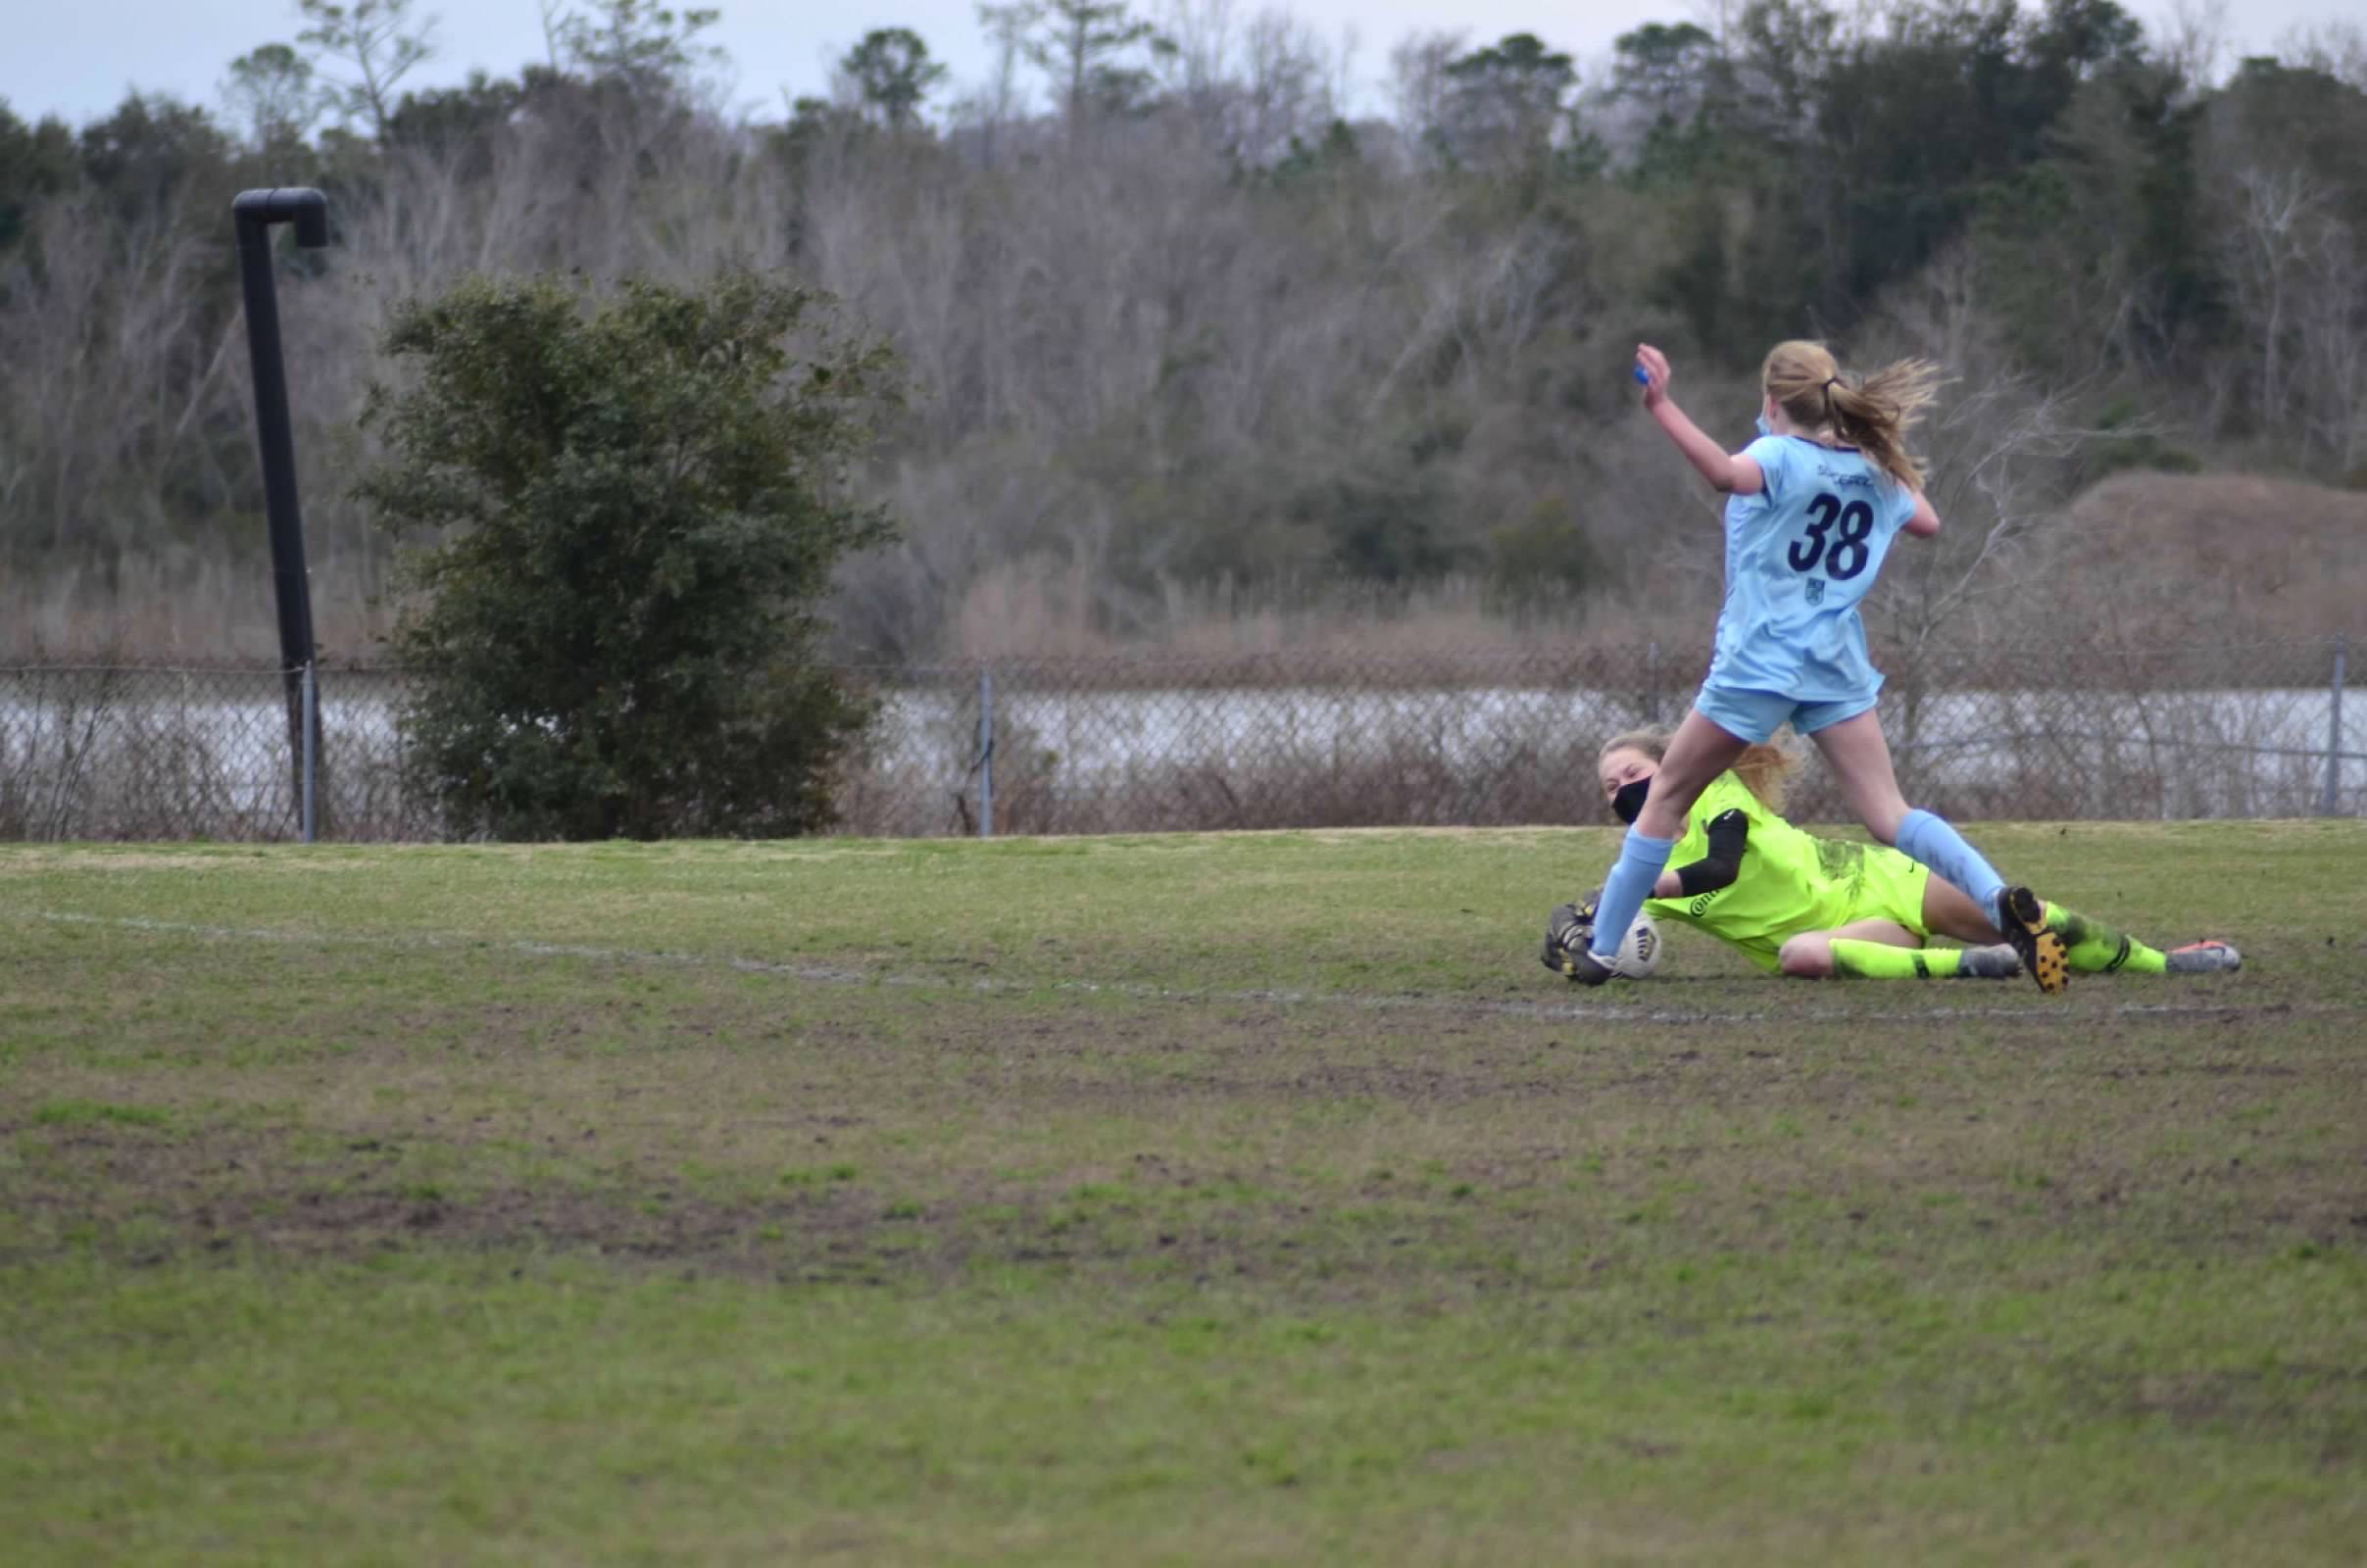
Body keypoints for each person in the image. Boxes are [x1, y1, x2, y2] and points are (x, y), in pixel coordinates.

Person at [1566, 339, 2070, 994]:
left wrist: (1660, 405)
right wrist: (1869, 451)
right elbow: (1926, 522)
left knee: (1664, 798)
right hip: (1833, 662)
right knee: (1889, 813)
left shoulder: (1776, 456)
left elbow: (1724, 473)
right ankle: (1998, 898)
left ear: (1771, 402)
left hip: (1759, 664)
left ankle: (1601, 951)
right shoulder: (1871, 469)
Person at [1543, 728, 2241, 982]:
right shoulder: (1640, 857)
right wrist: (1579, 928)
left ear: (1669, 768)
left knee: (2019, 916)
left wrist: (1644, 890)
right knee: (1801, 958)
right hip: (1836, 937)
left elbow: (1719, 866)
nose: (1623, 792)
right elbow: (1611, 911)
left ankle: (2163, 960)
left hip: (1878, 881)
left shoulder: (1719, 791)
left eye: (1634, 775)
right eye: (1611, 788)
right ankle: (1976, 967)